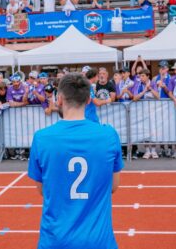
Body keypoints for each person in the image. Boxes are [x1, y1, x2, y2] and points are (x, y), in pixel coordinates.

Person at [28, 72, 123, 249]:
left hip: (55, 240)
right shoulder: (109, 135)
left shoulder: (41, 138)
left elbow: (42, 190)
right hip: (98, 241)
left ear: (60, 99)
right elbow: (113, 186)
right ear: (88, 100)